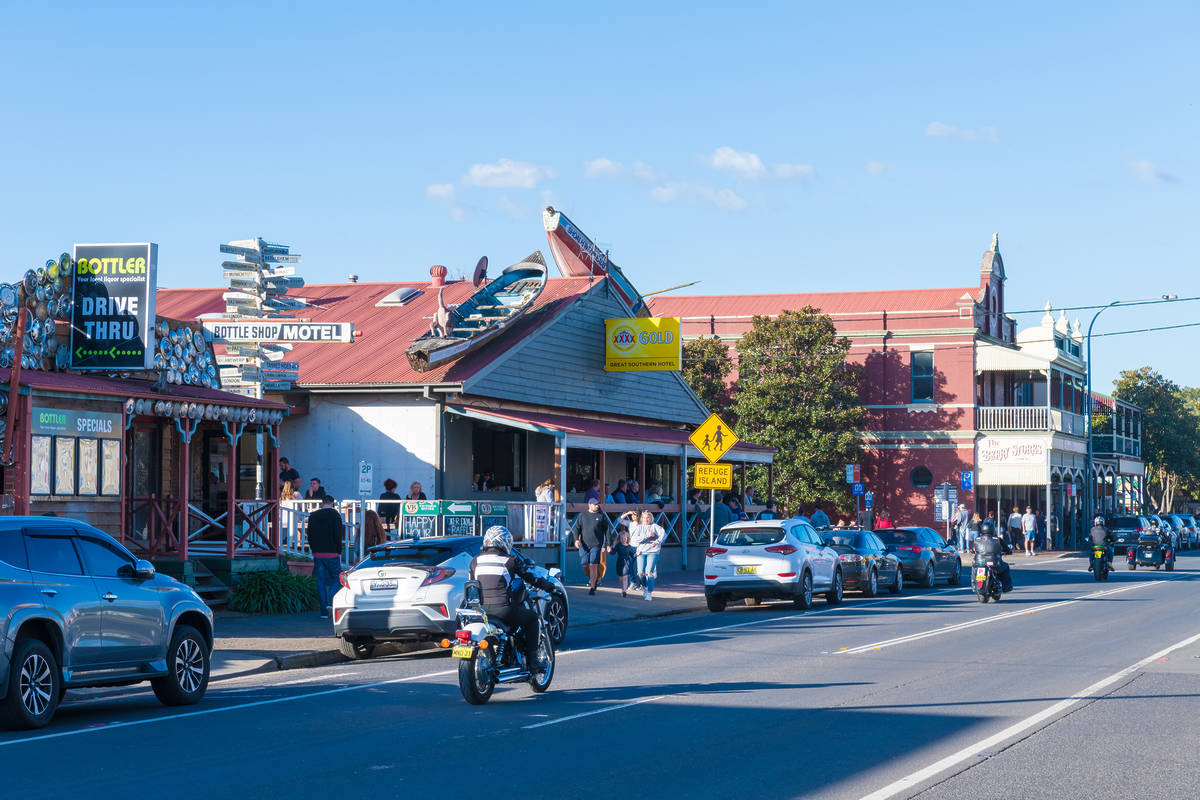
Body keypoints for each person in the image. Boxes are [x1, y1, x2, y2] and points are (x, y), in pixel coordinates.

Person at [468, 526, 551, 669]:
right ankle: (533, 661)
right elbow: (531, 578)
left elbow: (472, 582)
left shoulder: (475, 561)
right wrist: (548, 586)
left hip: (479, 611)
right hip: (502, 609)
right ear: (504, 542)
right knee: (531, 618)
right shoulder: (510, 561)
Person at [305, 496, 344, 618]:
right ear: (332, 503)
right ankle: (330, 600)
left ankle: (323, 611)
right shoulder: (335, 515)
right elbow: (338, 535)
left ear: (322, 503)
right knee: (337, 577)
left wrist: (313, 549)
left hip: (318, 553)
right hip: (332, 552)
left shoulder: (313, 516)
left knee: (320, 581)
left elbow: (309, 535)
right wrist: (339, 550)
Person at [571, 497, 608, 595]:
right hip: (584, 544)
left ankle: (592, 587)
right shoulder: (582, 515)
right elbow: (576, 528)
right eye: (595, 504)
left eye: (597, 504)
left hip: (596, 544)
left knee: (593, 564)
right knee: (585, 564)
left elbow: (607, 531)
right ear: (589, 505)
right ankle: (593, 579)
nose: (597, 506)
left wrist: (606, 544)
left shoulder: (601, 516)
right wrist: (576, 540)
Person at [630, 510, 665, 601]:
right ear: (642, 518)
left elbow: (664, 534)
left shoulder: (654, 526)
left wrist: (657, 541)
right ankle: (645, 587)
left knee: (649, 572)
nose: (646, 519)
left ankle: (649, 593)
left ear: (651, 518)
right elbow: (635, 539)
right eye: (644, 518)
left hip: (653, 552)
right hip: (641, 552)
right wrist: (647, 536)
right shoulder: (639, 527)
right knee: (640, 573)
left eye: (648, 517)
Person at [973, 521, 1013, 592]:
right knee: (1006, 567)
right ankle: (1006, 587)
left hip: (980, 563)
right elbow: (1006, 548)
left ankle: (974, 585)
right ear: (992, 529)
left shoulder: (977, 540)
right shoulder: (997, 539)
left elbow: (974, 549)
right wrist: (1008, 551)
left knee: (974, 568)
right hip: (994, 563)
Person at [610, 526, 636, 598]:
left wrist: (637, 553)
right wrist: (610, 551)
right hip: (619, 562)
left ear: (627, 539)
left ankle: (624, 591)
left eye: (625, 538)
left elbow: (633, 555)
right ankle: (622, 589)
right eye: (622, 538)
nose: (623, 539)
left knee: (625, 576)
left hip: (627, 563)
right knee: (621, 578)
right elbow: (613, 553)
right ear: (619, 539)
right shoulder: (618, 546)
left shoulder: (629, 546)